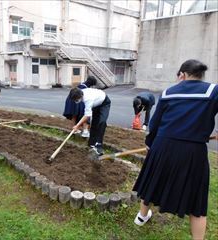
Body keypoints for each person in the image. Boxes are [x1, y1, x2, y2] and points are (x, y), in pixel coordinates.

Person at [132, 59, 218, 240]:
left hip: (163, 146)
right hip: (193, 151)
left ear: (182, 75)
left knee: (153, 181)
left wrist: (150, 143)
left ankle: (141, 216)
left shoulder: (169, 92)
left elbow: (154, 124)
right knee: (196, 198)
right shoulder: (213, 91)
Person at [69, 86, 111, 156]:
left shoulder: (88, 99)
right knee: (94, 123)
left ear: (80, 96)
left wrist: (77, 125)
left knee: (102, 122)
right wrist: (77, 126)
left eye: (76, 99)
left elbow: (87, 116)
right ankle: (91, 144)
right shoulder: (80, 93)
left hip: (104, 103)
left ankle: (99, 146)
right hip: (96, 105)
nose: (76, 101)